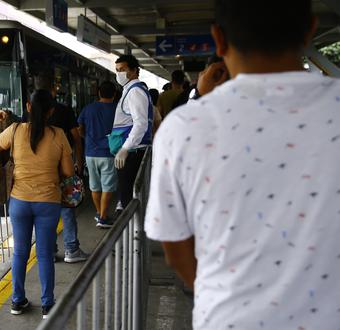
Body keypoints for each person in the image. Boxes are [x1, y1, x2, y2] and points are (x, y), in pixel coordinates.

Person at [145, 0, 340, 328]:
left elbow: (175, 250)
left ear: (218, 39)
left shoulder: (183, 128)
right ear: (309, 32)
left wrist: (218, 292)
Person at [0, 90, 74, 319]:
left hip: (19, 202)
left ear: (27, 107)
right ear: (51, 111)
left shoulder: (14, 131)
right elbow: (67, 172)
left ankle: (17, 301)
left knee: (20, 253)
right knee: (45, 254)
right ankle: (47, 305)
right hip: (49, 202)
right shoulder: (59, 134)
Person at [34, 73, 89, 263]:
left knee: (46, 212)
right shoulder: (64, 111)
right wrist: (79, 166)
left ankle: (49, 251)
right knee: (66, 208)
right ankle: (71, 249)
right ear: (54, 89)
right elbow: (76, 139)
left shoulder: (30, 112)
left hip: (39, 171)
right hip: (61, 166)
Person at [112, 54, 154, 211]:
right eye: (117, 70)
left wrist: (125, 148)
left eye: (122, 70)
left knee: (128, 196)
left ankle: (131, 230)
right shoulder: (131, 90)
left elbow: (141, 123)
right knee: (128, 193)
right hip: (132, 150)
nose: (119, 74)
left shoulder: (135, 92)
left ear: (134, 70)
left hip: (132, 152)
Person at [78, 81, 117, 227]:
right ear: (114, 94)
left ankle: (100, 213)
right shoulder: (117, 109)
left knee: (94, 186)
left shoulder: (88, 108)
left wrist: (86, 138)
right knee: (107, 186)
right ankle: (103, 217)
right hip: (108, 153)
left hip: (90, 153)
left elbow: (79, 128)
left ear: (99, 93)